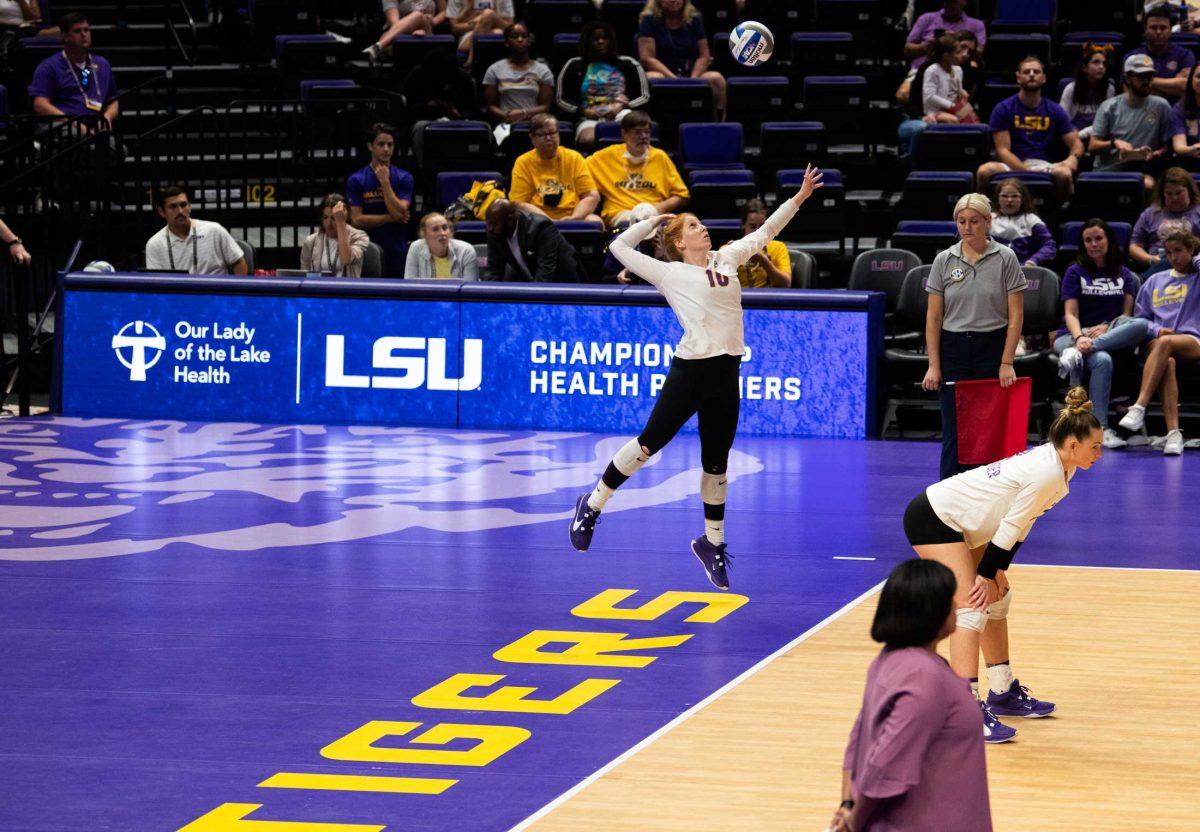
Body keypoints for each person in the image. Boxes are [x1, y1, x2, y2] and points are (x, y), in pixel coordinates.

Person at [567, 165, 825, 590]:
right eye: (693, 226)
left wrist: (798, 198)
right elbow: (618, 246)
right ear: (677, 241)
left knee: (717, 463)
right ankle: (592, 504)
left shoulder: (727, 258)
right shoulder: (669, 272)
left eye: (701, 224)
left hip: (726, 372)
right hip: (691, 371)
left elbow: (768, 232)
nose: (703, 228)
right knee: (649, 442)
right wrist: (656, 220)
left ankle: (712, 543)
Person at [902, 389, 1103, 743]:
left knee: (998, 597)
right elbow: (1010, 527)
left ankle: (1003, 689)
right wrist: (984, 574)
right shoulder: (1046, 473)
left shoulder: (1059, 470)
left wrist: (995, 572)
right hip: (934, 517)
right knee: (972, 606)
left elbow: (1021, 524)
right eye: (1095, 447)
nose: (1099, 454)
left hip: (968, 525)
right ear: (1073, 445)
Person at [831, 559, 991, 832]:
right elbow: (886, 765)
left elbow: (857, 740)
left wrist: (847, 804)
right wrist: (854, 822)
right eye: (948, 599)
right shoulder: (925, 678)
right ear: (931, 612)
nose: (955, 605)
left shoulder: (887, 661)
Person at [922, 193, 1027, 482]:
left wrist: (1007, 361)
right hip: (953, 347)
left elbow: (1015, 315)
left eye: (974, 221)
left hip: (991, 346)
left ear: (988, 222)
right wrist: (934, 364)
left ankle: (992, 492)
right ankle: (948, 497)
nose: (967, 227)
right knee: (954, 430)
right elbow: (933, 318)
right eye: (961, 221)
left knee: (990, 428)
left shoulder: (1006, 257)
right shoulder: (944, 260)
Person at [1053, 218, 1148, 447]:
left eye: (1099, 238)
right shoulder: (1075, 272)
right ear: (1083, 244)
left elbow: (1125, 317)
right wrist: (1080, 338)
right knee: (1102, 360)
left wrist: (1103, 330)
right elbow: (1070, 314)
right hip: (1071, 335)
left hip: (1104, 336)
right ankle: (1101, 429)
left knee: (1141, 325)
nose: (1094, 243)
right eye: (1088, 240)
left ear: (1109, 240)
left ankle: (1082, 352)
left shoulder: (1124, 274)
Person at [1118, 228, 1200, 455]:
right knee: (1168, 361)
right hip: (1159, 340)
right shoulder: (1154, 280)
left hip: (1192, 339)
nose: (1174, 257)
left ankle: (1139, 406)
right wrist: (1157, 329)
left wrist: (1196, 259)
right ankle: (1174, 434)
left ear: (1191, 250)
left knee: (1167, 345)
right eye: (1169, 252)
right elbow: (1141, 319)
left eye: (1179, 251)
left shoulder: (1197, 277)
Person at [977, 57, 1084, 199]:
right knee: (984, 171)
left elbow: (1076, 143)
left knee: (1064, 174)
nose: (1032, 74)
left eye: (1036, 71)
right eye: (1027, 71)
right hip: (1011, 165)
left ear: (1044, 78)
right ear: (1018, 77)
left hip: (1043, 165)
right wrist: (1026, 172)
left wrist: (1073, 158)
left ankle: (1059, 216)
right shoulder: (1003, 108)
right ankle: (986, 213)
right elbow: (1003, 150)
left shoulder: (1055, 110)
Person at [556, 20, 650, 150]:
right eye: (596, 39)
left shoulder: (628, 64)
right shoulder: (574, 65)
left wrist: (622, 105)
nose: (601, 42)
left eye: (604, 38)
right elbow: (561, 99)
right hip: (588, 117)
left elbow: (644, 96)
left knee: (635, 136)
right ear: (587, 41)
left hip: (621, 113)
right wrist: (583, 111)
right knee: (588, 140)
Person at [586, 109, 689, 228]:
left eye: (646, 132)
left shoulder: (660, 157)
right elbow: (578, 170)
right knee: (638, 222)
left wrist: (657, 209)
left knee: (689, 220)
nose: (643, 136)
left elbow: (682, 195)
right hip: (622, 214)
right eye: (637, 132)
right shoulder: (604, 157)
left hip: (656, 213)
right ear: (624, 134)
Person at [1089, 54, 1175, 190]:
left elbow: (1170, 144)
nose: (1146, 81)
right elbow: (1093, 146)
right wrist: (1114, 143)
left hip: (1142, 169)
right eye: (1141, 77)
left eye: (1149, 76)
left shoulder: (1162, 106)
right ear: (1128, 78)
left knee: (1148, 185)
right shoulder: (1109, 106)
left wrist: (1158, 153)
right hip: (1108, 169)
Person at [345, 123, 414, 278]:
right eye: (381, 144)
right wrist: (392, 217)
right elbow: (356, 220)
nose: (386, 149)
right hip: (366, 249)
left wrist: (385, 183)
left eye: (390, 145)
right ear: (370, 146)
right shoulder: (356, 180)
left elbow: (400, 210)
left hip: (397, 249)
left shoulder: (404, 177)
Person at [28, 12, 118, 126]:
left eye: (86, 30)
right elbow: (40, 105)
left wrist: (107, 117)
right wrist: (73, 124)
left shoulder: (102, 64)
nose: (84, 34)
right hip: (64, 125)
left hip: (97, 124)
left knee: (114, 143)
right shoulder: (48, 66)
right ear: (65, 36)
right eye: (77, 31)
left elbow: (113, 101)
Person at [637, 0, 725, 116]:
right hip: (663, 73)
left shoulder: (694, 19)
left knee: (716, 78)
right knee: (653, 78)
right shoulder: (649, 20)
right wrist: (674, 80)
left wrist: (693, 81)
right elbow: (647, 58)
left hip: (692, 74)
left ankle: (718, 122)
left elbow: (704, 56)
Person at [509, 113, 601, 222]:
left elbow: (592, 196)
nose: (548, 138)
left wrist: (574, 218)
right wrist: (547, 221)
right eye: (542, 135)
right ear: (532, 137)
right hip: (537, 219)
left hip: (573, 215)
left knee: (595, 221)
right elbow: (518, 203)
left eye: (552, 133)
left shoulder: (574, 157)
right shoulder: (523, 162)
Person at [402, 47, 480, 170]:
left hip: (458, 121)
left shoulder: (462, 78)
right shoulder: (418, 75)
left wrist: (460, 115)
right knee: (420, 128)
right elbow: (406, 108)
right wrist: (427, 107)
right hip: (425, 120)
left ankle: (474, 167)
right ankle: (422, 167)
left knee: (482, 127)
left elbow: (475, 111)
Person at [896, 0, 987, 104]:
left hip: (956, 71)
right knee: (903, 95)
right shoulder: (926, 18)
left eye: (954, 2)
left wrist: (957, 42)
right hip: (922, 68)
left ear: (964, 1)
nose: (950, 4)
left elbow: (980, 54)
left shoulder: (976, 25)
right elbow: (907, 49)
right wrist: (927, 46)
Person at [144, 187, 248, 275]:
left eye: (183, 205)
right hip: (179, 297)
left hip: (216, 296)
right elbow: (156, 282)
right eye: (173, 206)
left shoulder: (214, 230)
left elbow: (239, 263)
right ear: (162, 212)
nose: (180, 211)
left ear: (189, 207)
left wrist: (238, 298)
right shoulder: (155, 244)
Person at [482, 21, 553, 145]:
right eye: (515, 37)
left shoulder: (542, 70)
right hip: (505, 123)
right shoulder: (494, 69)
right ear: (506, 42)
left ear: (529, 41)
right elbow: (490, 105)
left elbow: (545, 106)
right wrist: (506, 116)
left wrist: (523, 113)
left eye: (524, 36)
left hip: (534, 123)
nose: (520, 40)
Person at [483, 198, 583, 281]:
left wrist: (534, 301)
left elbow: (545, 272)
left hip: (564, 282)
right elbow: (493, 270)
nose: (490, 228)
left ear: (510, 219)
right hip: (532, 282)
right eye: (488, 224)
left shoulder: (541, 227)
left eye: (494, 224)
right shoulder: (495, 233)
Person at [1129, 166, 1200, 272]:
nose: (1174, 198)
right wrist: (1150, 259)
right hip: (1157, 264)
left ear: (1189, 191)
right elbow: (1134, 246)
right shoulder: (1150, 214)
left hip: (1191, 266)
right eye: (1169, 194)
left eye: (1178, 192)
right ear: (1162, 194)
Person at [1128, 3, 1194, 100]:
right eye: (1153, 28)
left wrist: (1143, 79)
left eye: (1163, 28)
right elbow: (1131, 91)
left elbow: (1186, 86)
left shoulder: (1185, 55)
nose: (1158, 32)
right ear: (1145, 29)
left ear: (1171, 30)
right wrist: (1174, 82)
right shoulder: (1133, 57)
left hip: (1175, 111)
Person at [989, 178, 1056, 268]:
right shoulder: (988, 220)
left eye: (1015, 196)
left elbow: (1050, 245)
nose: (1009, 200)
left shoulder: (1032, 220)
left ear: (1022, 199)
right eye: (1004, 196)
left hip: (1024, 271)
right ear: (998, 199)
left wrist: (1033, 261)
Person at [300, 194, 370, 277]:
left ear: (345, 217)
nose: (329, 224)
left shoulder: (359, 237)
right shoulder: (311, 242)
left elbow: (346, 259)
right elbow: (304, 277)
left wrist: (340, 222)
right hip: (319, 288)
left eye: (333, 218)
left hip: (347, 288)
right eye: (325, 217)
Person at [728, 198, 791, 288]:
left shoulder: (778, 247)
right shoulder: (729, 249)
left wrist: (763, 260)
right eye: (753, 226)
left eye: (762, 227)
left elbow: (786, 284)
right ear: (743, 224)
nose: (758, 232)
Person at [1060, 44, 1118, 140]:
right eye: (1096, 62)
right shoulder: (1070, 89)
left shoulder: (1109, 89)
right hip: (1073, 137)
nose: (1101, 67)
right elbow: (1062, 121)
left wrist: (1084, 133)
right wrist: (1075, 136)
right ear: (1084, 67)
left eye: (1104, 63)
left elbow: (1109, 122)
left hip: (1098, 137)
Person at [362, 0, 446, 64]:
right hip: (397, 37)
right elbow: (394, 22)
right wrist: (415, 25)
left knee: (418, 16)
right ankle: (380, 46)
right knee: (417, 16)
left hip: (427, 31)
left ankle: (378, 47)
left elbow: (444, 11)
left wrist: (434, 21)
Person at [921, 33, 977, 124]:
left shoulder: (958, 70)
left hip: (955, 107)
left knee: (973, 123)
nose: (962, 54)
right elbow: (929, 96)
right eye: (958, 52)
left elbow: (956, 91)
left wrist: (961, 93)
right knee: (953, 120)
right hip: (936, 110)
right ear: (946, 56)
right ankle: (926, 119)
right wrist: (950, 105)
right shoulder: (932, 70)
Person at [404, 212, 479, 279]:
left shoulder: (466, 251)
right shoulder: (416, 248)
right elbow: (410, 284)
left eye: (445, 228)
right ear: (425, 234)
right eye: (435, 229)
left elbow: (470, 288)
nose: (442, 233)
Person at [446, 0, 513, 66]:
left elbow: (510, 28)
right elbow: (455, 29)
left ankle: (472, 59)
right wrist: (482, 21)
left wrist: (490, 18)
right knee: (489, 16)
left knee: (490, 17)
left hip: (497, 32)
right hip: (467, 36)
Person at [1169, 64, 1200, 159]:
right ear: (1191, 80)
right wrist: (1194, 149)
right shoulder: (1179, 109)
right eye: (1199, 76)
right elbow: (1179, 146)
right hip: (1190, 160)